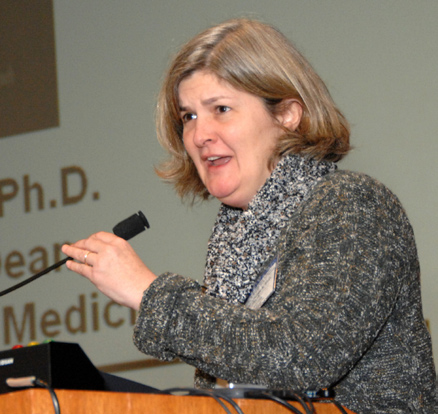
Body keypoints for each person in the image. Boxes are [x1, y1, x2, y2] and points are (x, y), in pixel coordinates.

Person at [62, 18, 437, 414]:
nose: (199, 134)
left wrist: (149, 293)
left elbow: (301, 358)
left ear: (287, 114)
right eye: (188, 116)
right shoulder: (233, 245)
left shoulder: (352, 205)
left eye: (221, 109)